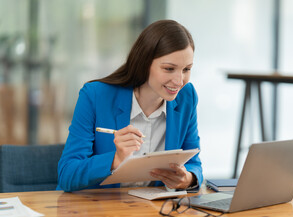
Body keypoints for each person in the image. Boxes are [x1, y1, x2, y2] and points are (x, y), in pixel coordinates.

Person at [57, 19, 203, 192]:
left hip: (152, 212)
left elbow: (193, 162)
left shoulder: (187, 97)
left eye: (186, 69)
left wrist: (187, 179)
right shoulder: (95, 96)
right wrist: (116, 159)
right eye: (169, 69)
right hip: (93, 210)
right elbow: (67, 174)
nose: (179, 81)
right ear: (144, 63)